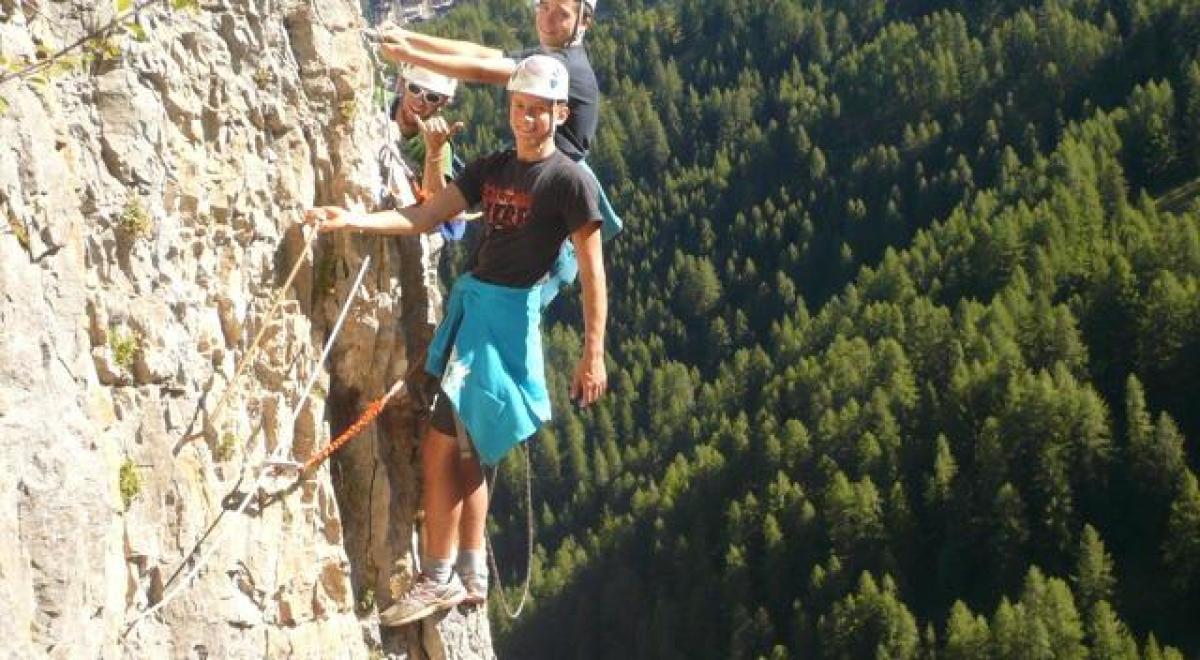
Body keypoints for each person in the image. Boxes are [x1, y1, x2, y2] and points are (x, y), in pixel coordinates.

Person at [305, 55, 607, 625]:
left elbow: (593, 271)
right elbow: (424, 215)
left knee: (440, 445)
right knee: (472, 451)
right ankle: (470, 574)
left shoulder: (569, 181)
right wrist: (353, 219)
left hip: (503, 327)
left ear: (560, 114)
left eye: (539, 111)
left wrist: (593, 355)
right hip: (479, 319)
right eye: (520, 107)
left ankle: (436, 577)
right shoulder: (494, 168)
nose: (527, 120)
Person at [377, 0, 622, 307]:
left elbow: (482, 70)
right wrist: (410, 39)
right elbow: (483, 54)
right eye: (545, 7)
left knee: (515, 301)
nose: (548, 20)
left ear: (583, 22)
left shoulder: (564, 68)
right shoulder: (553, 57)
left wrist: (408, 55)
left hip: (552, 197)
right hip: (538, 183)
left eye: (562, 14)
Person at [376, 64, 467, 239]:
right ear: (402, 84)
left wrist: (434, 152)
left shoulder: (439, 144)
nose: (420, 101)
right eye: (415, 89)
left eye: (431, 97)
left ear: (443, 102)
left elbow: (438, 207)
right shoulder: (376, 101)